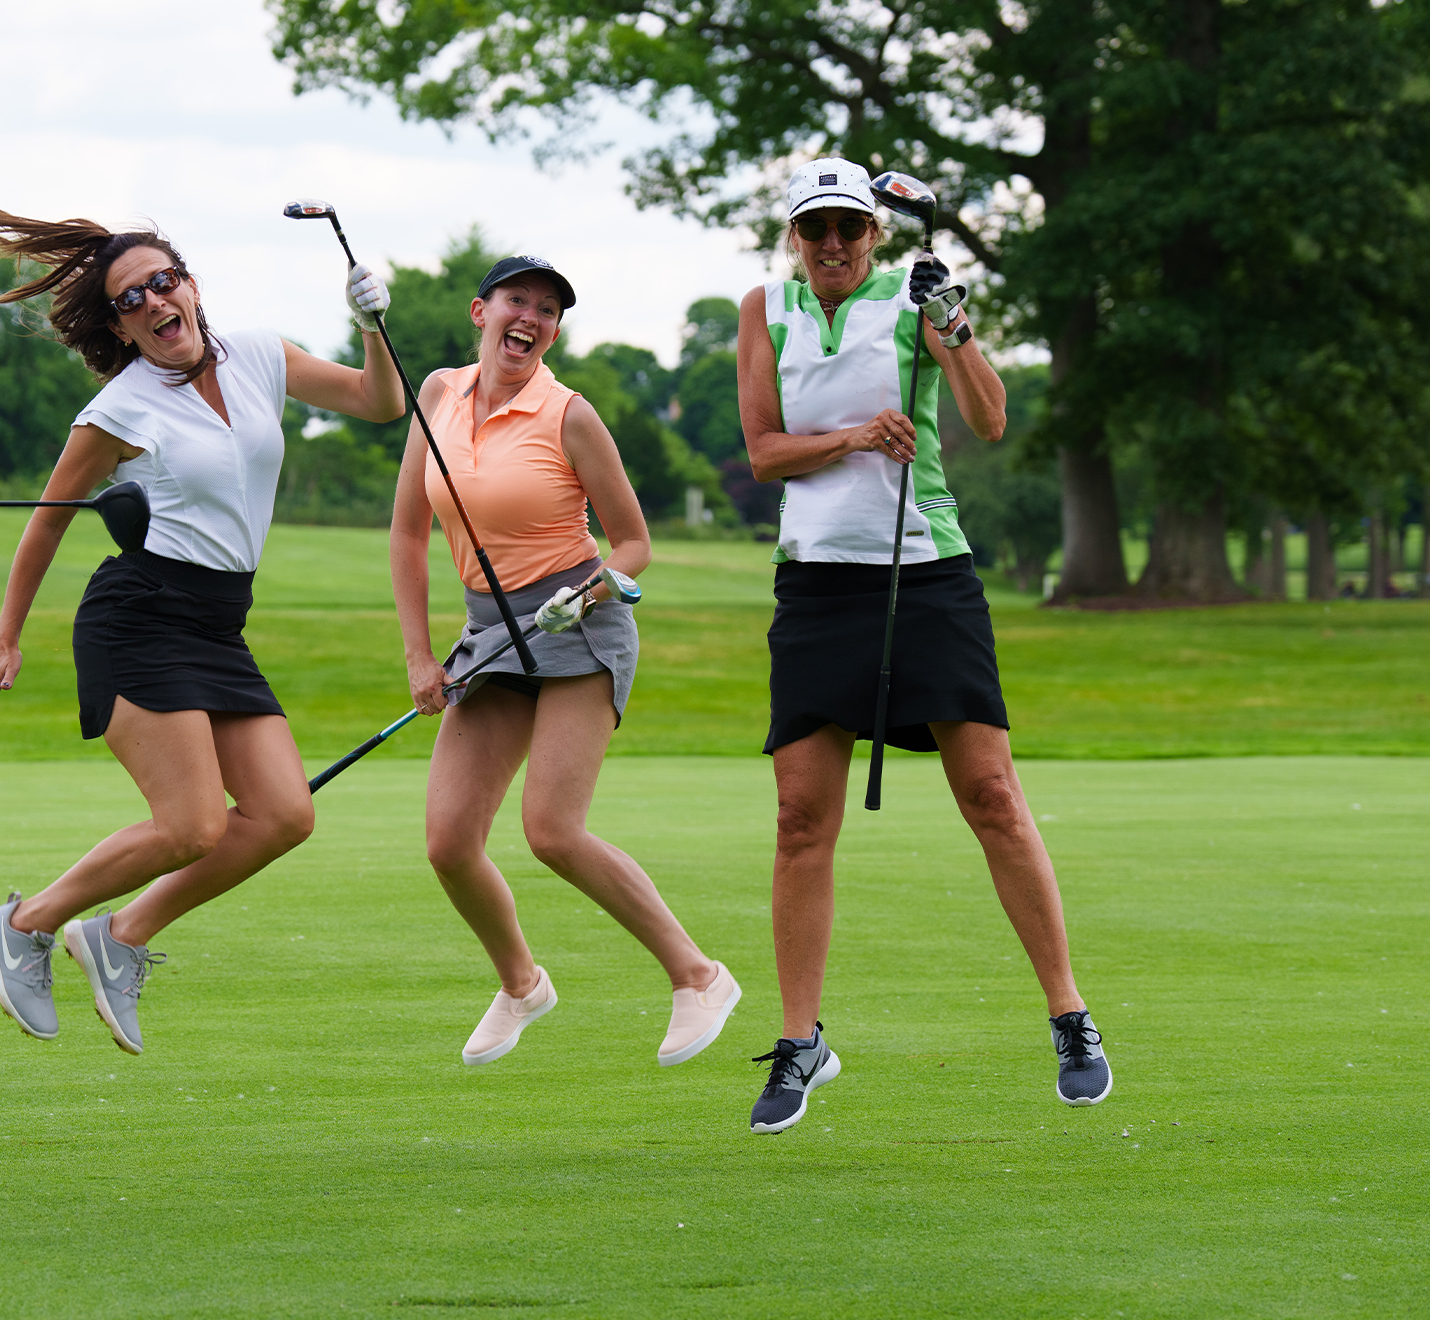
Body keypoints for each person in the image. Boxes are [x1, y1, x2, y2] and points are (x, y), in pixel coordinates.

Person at [0, 201, 404, 1055]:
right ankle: (25, 923)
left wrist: (373, 327)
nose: (156, 303)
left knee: (282, 815)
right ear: (123, 329)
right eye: (133, 301)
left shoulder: (262, 356)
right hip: (140, 616)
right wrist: (7, 637)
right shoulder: (119, 410)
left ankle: (118, 935)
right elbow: (48, 519)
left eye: (165, 282)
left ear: (193, 285)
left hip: (217, 622)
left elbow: (379, 402)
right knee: (192, 825)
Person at [734, 157, 1111, 1133]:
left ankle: (1069, 1014)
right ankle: (801, 1043)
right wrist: (858, 438)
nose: (831, 246)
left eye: (848, 229)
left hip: (927, 573)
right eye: (814, 229)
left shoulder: (916, 300)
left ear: (876, 234)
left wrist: (957, 331)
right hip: (816, 585)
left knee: (990, 795)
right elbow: (765, 451)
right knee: (799, 820)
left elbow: (986, 418)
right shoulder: (762, 309)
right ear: (792, 236)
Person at [390, 256, 740, 1068]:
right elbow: (409, 533)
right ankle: (522, 985)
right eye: (518, 301)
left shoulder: (570, 414)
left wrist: (586, 593)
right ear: (481, 310)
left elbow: (635, 544)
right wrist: (418, 654)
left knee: (550, 829)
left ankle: (699, 976)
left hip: (578, 623)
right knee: (448, 841)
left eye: (548, 310)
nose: (532, 318)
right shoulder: (437, 395)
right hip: (489, 631)